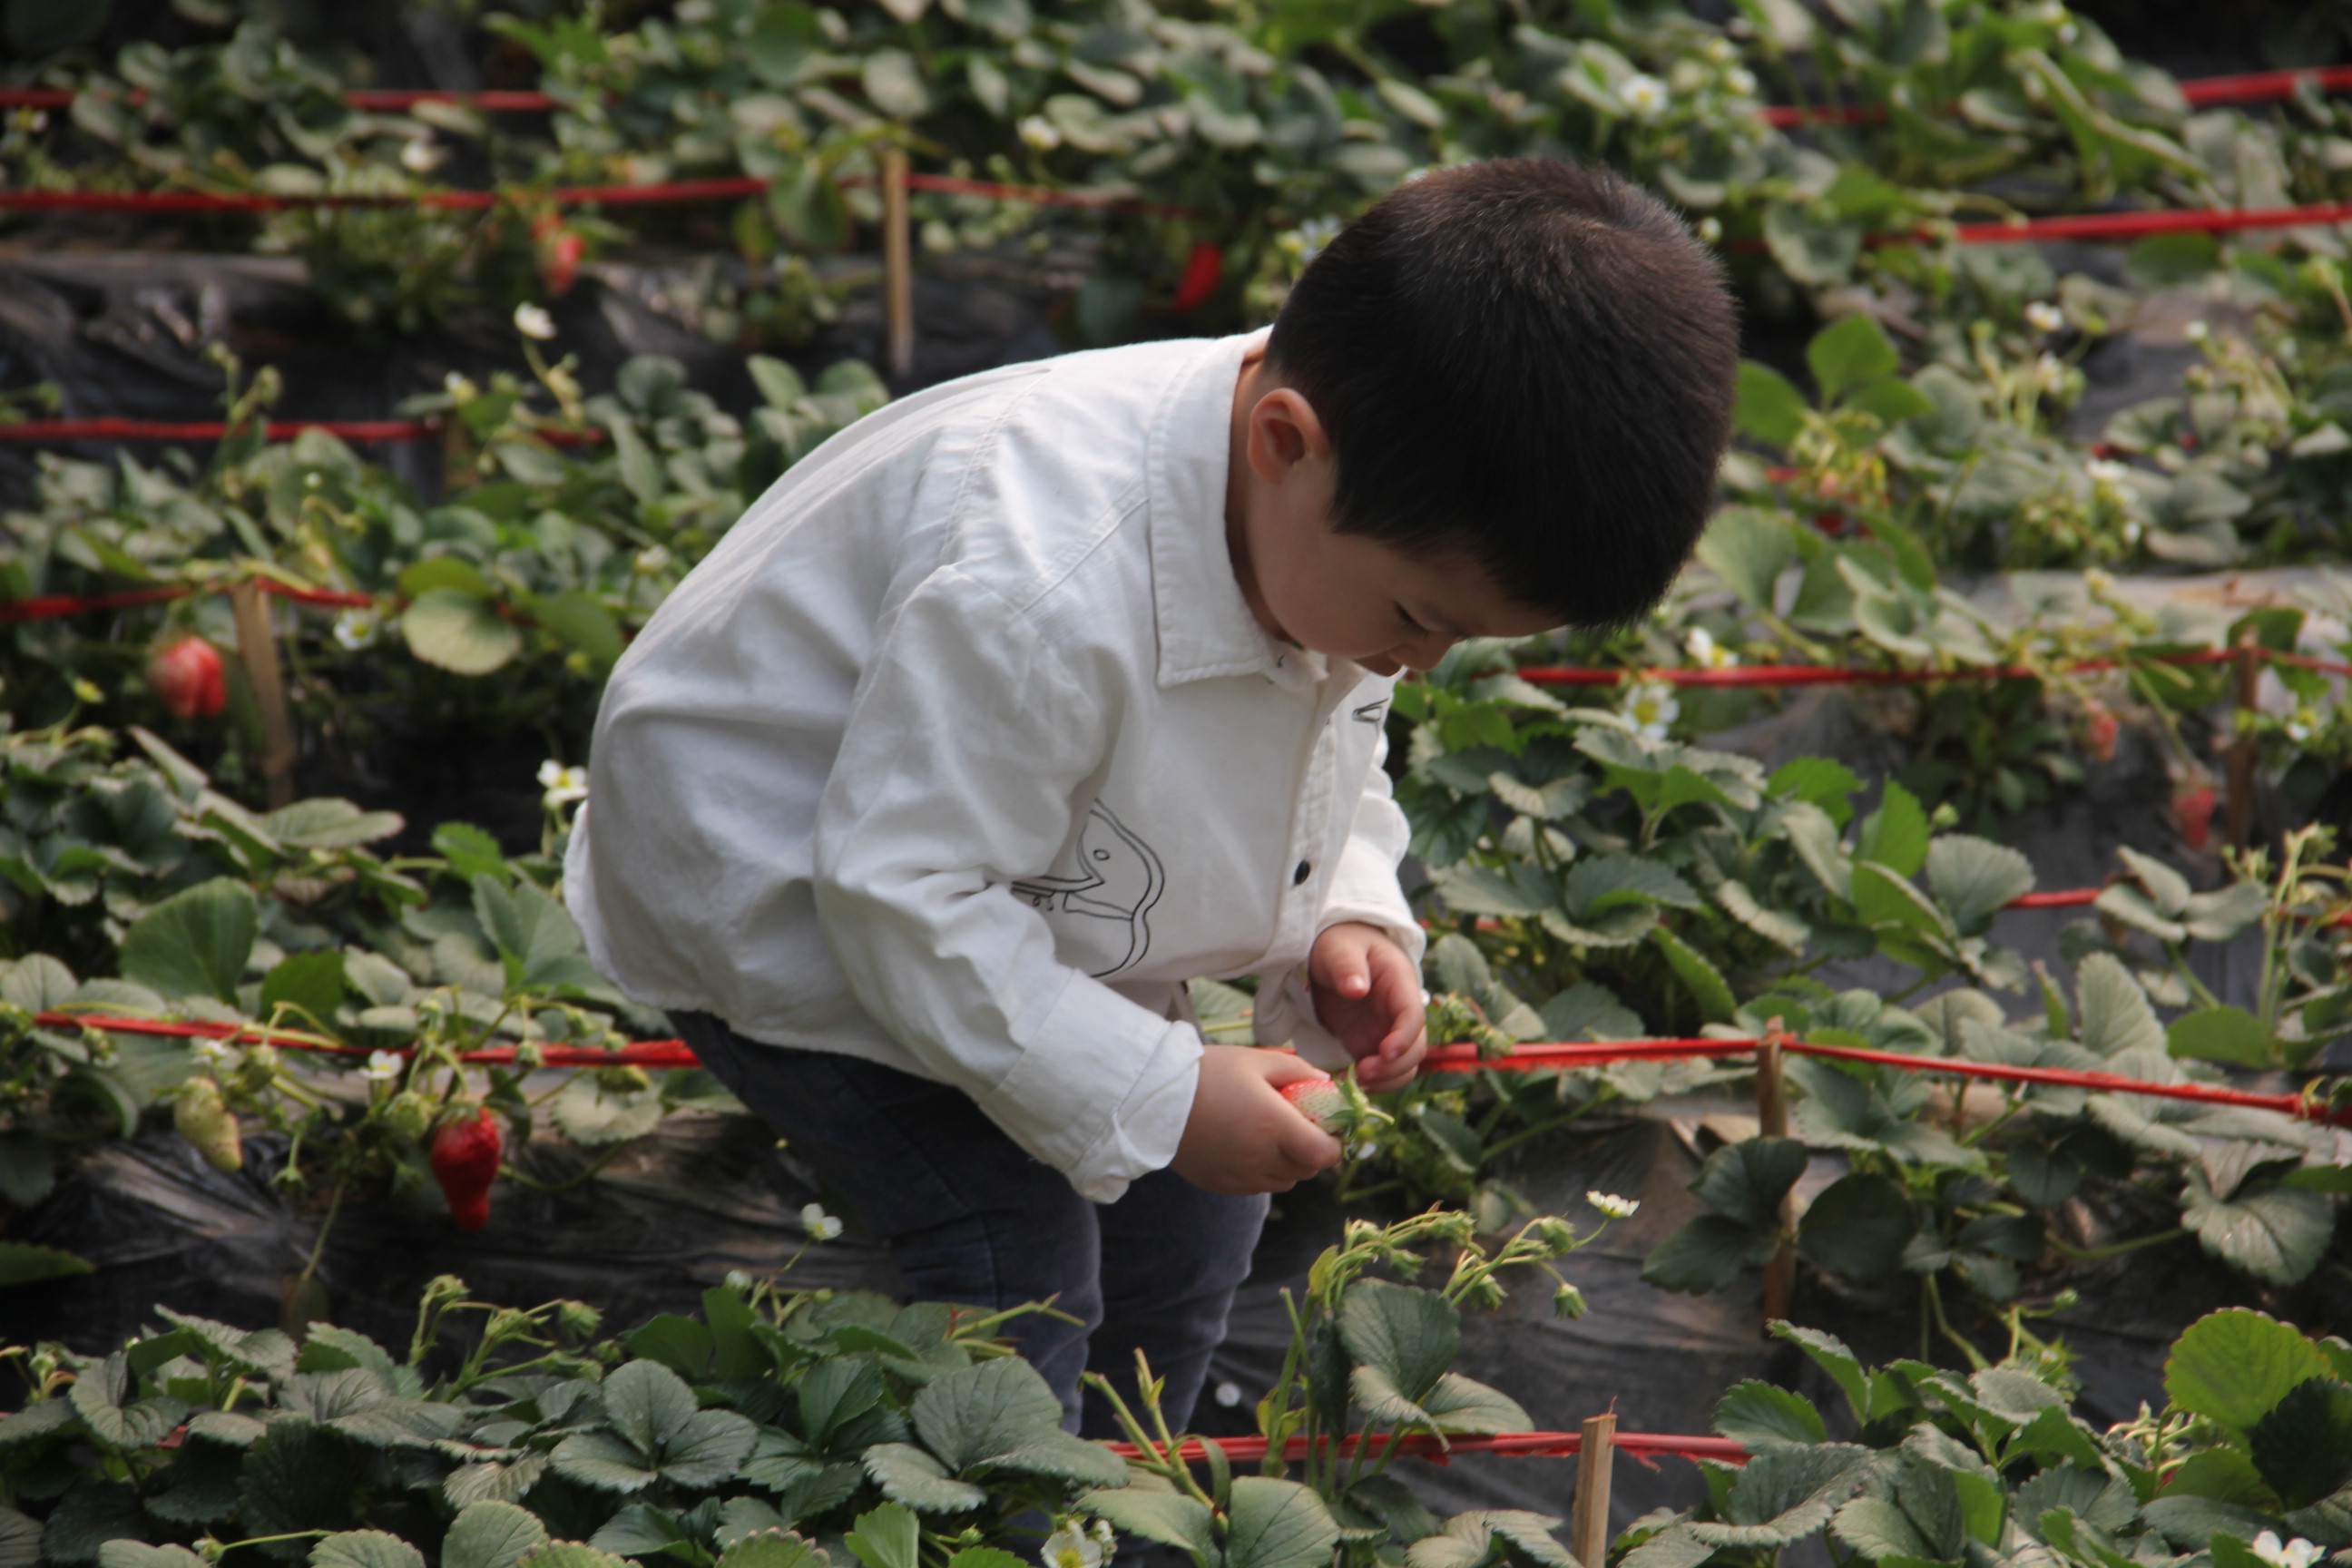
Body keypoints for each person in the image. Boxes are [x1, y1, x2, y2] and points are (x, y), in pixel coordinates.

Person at [564, 157, 1737, 1435]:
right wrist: (1156, 1095)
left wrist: (1344, 913)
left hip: (995, 839)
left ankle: (1129, 1484)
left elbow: (1334, 740)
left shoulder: (1333, 496)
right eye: (1414, 620)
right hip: (783, 888)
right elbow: (896, 894)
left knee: (1203, 1194)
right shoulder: (1041, 588)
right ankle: (1006, 1498)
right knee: (1019, 1258)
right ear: (1285, 442)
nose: (1412, 664)